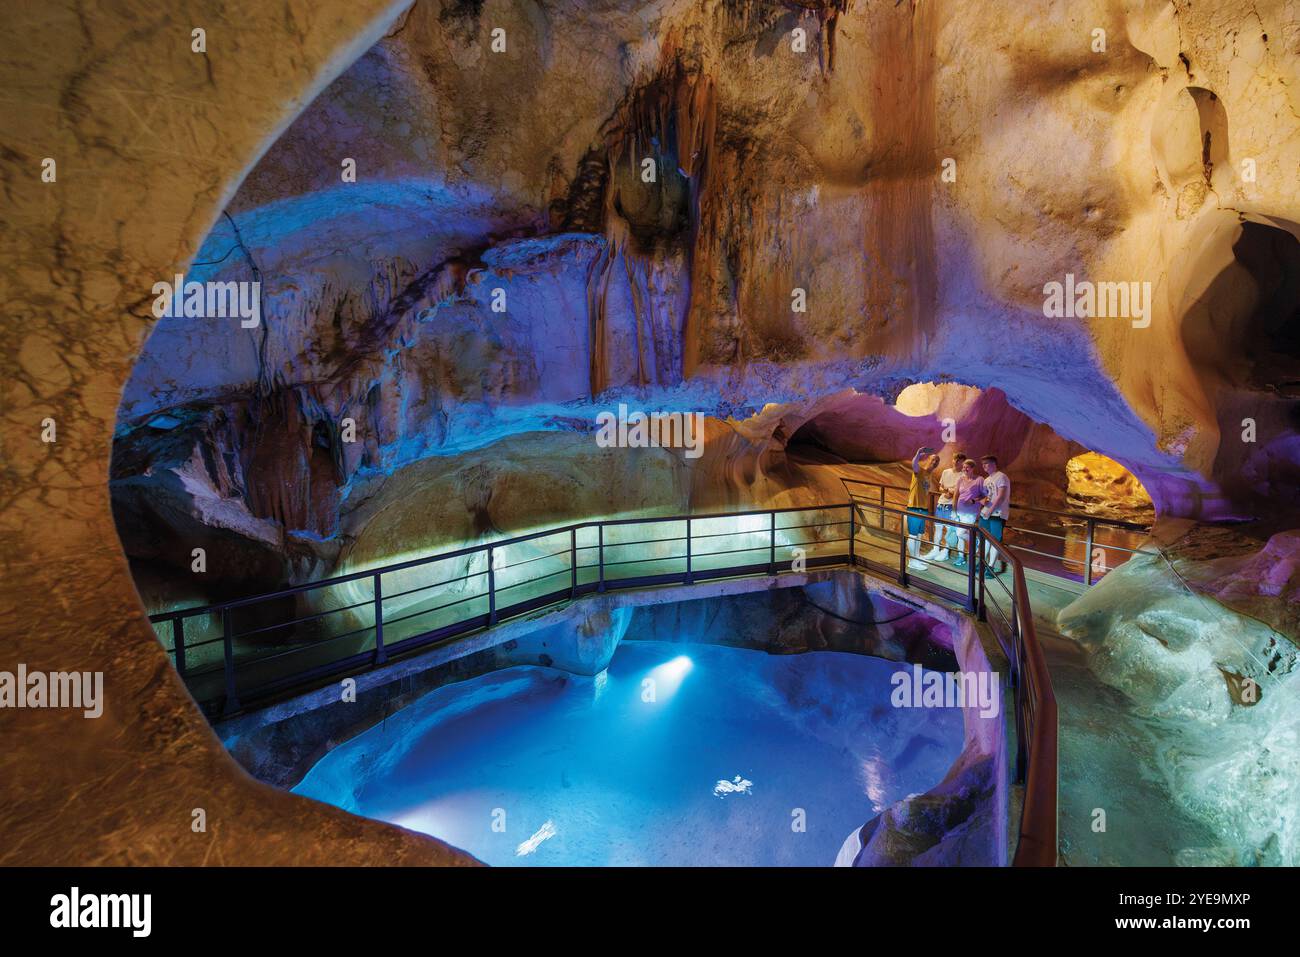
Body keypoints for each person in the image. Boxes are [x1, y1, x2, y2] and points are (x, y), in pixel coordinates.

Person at [923, 452, 966, 562]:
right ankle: (935, 549)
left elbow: (960, 491)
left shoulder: (963, 476)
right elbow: (941, 487)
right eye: (955, 459)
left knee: (949, 529)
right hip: (941, 503)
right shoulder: (946, 472)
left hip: (952, 505)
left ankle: (946, 551)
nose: (956, 462)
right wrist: (947, 490)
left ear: (963, 463)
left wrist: (950, 491)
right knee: (938, 527)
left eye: (959, 460)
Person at [905, 445, 940, 571]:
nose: (935, 462)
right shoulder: (919, 470)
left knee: (919, 535)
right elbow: (914, 464)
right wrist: (918, 453)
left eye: (937, 461)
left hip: (923, 508)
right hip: (914, 507)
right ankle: (912, 561)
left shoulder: (929, 475)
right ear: (927, 460)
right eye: (933, 459)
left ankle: (917, 557)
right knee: (913, 535)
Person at [979, 454, 1011, 575]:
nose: (984, 466)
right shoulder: (987, 480)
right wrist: (982, 502)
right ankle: (983, 563)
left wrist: (990, 510)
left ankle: (991, 566)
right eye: (983, 464)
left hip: (997, 514)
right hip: (986, 513)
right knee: (985, 540)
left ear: (993, 464)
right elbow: (986, 496)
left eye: (986, 463)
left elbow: (1001, 496)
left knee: (995, 540)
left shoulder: (1001, 477)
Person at [951, 457, 985, 569]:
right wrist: (954, 510)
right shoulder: (960, 479)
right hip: (959, 512)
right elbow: (956, 496)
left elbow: (984, 495)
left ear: (972, 468)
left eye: (967, 467)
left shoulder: (979, 479)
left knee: (960, 533)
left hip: (971, 512)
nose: (965, 469)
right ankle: (961, 557)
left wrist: (974, 500)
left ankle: (975, 541)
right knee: (960, 536)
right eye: (964, 467)